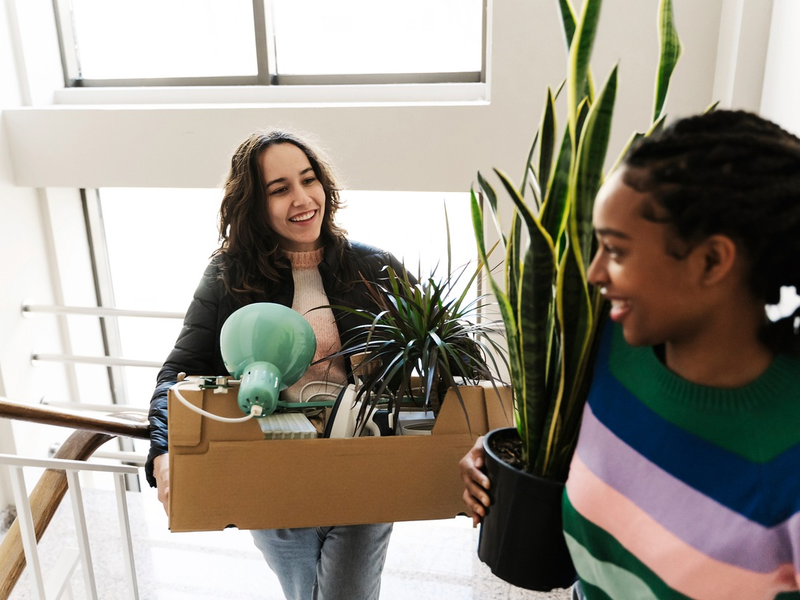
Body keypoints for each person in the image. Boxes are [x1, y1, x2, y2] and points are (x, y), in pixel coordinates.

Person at [460, 110, 800, 599]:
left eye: (615, 251)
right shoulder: (609, 343)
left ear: (711, 260)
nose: (594, 273)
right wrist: (489, 459)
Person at [145, 129, 408, 600]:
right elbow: (177, 375)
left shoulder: (374, 267)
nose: (304, 198)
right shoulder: (229, 277)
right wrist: (163, 453)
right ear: (254, 205)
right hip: (269, 473)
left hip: (363, 466)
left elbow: (447, 353)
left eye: (309, 180)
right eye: (280, 189)